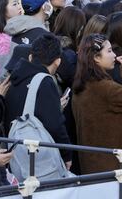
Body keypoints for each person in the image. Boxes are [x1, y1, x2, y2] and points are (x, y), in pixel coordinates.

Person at [71, 34, 122, 173]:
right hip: (116, 168)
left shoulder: (82, 86)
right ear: (96, 57)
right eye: (109, 51)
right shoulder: (103, 87)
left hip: (95, 165)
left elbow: (103, 118)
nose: (114, 55)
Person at [4, 33, 72, 166]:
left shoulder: (15, 77)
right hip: (37, 156)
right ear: (57, 61)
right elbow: (55, 124)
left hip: (14, 152)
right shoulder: (45, 81)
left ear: (30, 57)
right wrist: (66, 155)